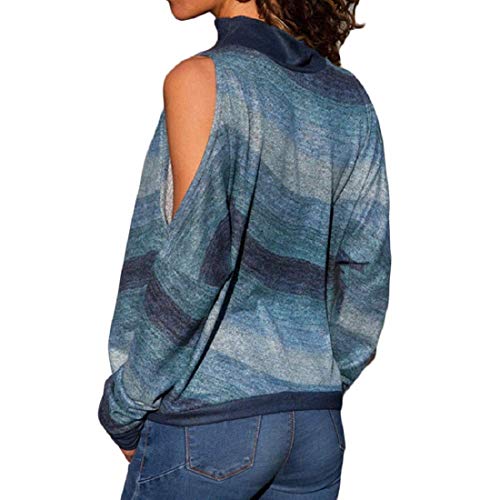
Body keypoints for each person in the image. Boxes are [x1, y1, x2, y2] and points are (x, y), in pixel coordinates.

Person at [97, 0, 391, 498]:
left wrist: (125, 404)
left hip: (210, 427)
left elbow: (194, 267)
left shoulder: (202, 81)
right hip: (314, 430)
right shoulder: (349, 100)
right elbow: (366, 275)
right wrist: (311, 379)